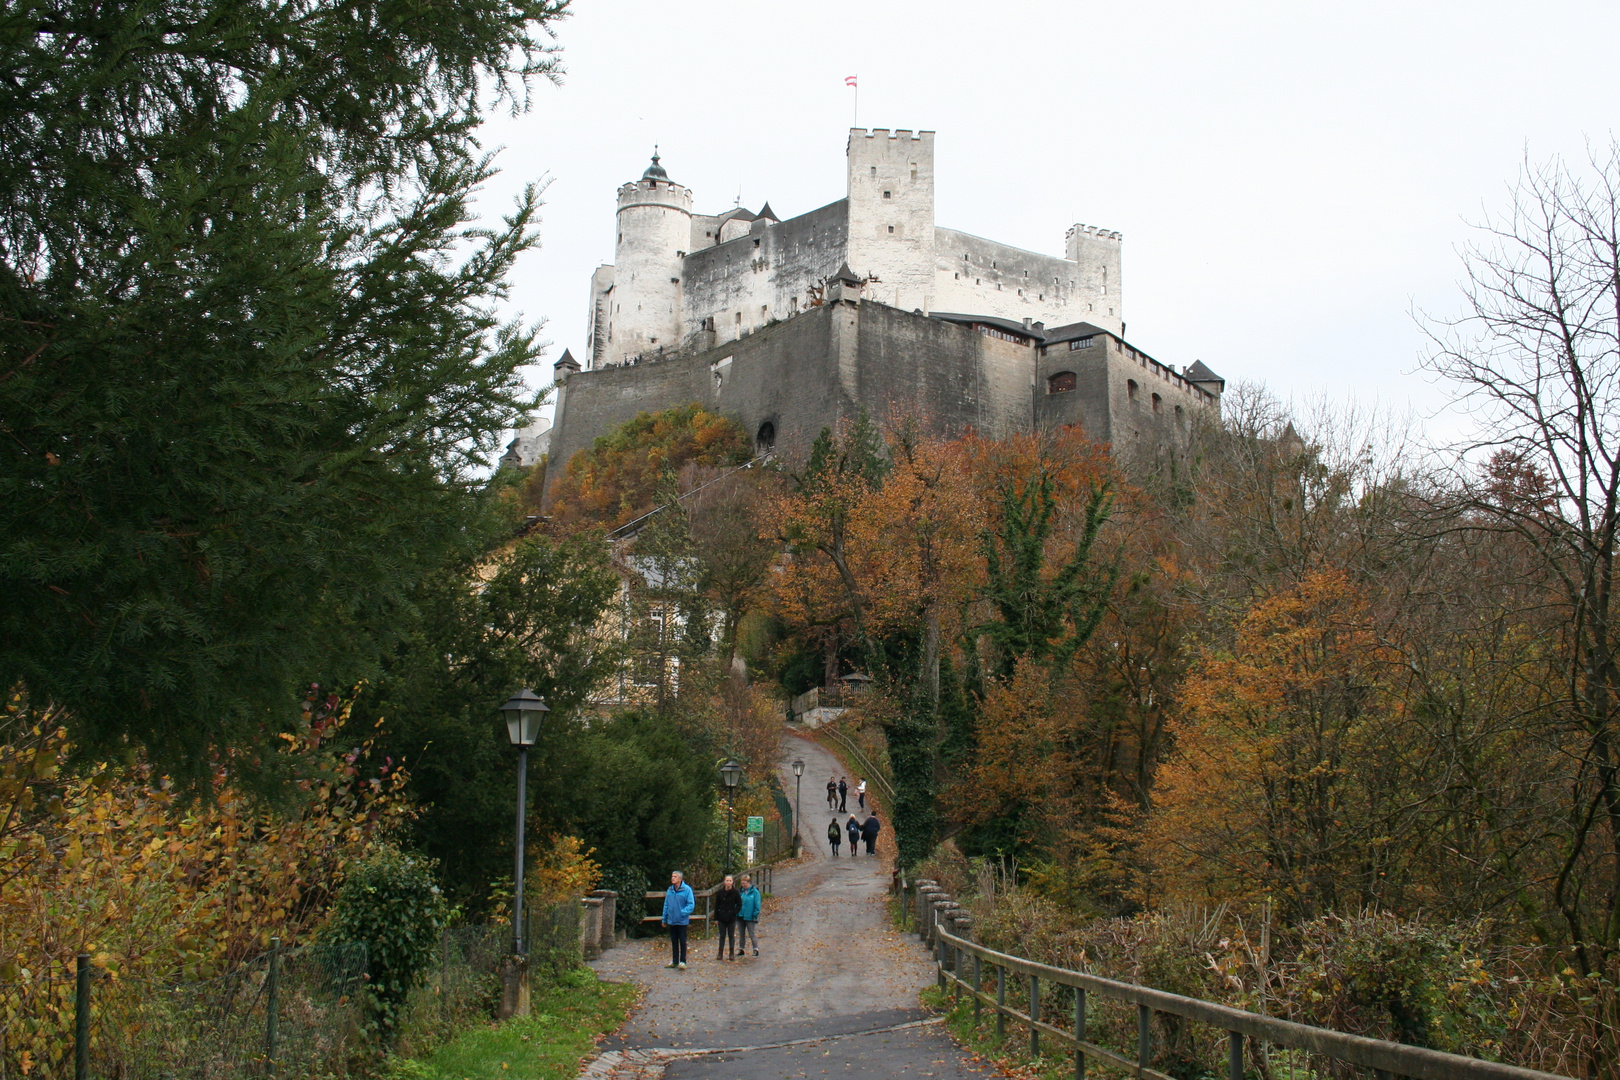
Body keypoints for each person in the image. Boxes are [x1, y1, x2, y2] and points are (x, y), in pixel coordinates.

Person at [661, 870, 694, 969]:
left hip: (682, 920)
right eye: (672, 876)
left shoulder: (687, 890)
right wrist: (664, 918)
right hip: (671, 920)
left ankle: (683, 961)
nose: (672, 878)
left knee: (682, 940)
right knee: (674, 941)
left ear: (680, 879)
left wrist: (682, 913)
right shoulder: (670, 890)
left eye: (675, 876)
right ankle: (675, 960)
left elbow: (691, 904)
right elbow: (666, 904)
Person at [713, 874, 742, 960]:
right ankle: (720, 953)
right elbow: (716, 905)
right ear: (724, 882)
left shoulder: (735, 892)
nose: (728, 882)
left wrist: (734, 912)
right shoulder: (720, 893)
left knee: (731, 935)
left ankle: (731, 953)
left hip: (731, 918)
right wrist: (716, 918)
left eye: (730, 881)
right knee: (722, 936)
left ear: (732, 882)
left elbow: (739, 904)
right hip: (722, 917)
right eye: (727, 880)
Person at [738, 873, 762, 957]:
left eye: (744, 883)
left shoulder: (755, 892)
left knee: (751, 933)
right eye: (742, 883)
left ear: (748, 882)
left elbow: (757, 904)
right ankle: (741, 949)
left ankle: (755, 949)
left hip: (750, 916)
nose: (743, 885)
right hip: (741, 915)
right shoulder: (741, 892)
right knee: (741, 933)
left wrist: (755, 915)